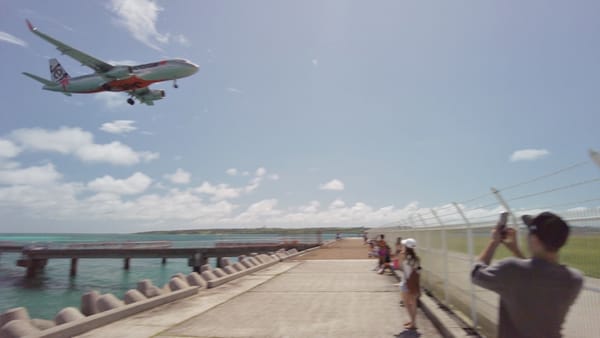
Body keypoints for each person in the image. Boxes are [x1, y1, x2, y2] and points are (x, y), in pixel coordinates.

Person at [471, 212, 583, 338]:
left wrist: (494, 241)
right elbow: (536, 273)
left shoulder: (510, 268)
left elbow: (476, 274)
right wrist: (515, 250)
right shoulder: (574, 279)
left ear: (534, 239)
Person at [399, 238, 420, 330]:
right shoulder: (416, 259)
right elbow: (419, 270)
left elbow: (402, 269)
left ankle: (413, 323)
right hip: (414, 283)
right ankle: (413, 321)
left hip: (406, 283)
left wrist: (401, 255)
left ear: (406, 247)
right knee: (414, 303)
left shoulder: (405, 258)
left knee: (406, 303)